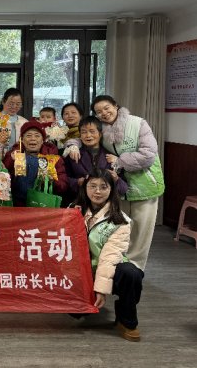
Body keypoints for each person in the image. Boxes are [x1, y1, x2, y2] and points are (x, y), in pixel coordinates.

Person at [85, 95, 164, 271]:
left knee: (141, 231)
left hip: (145, 185)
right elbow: (87, 137)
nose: (104, 113)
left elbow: (149, 154)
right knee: (120, 228)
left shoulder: (137, 123)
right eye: (99, 112)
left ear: (116, 106)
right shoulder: (102, 129)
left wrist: (120, 161)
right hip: (120, 188)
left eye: (107, 108)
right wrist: (72, 145)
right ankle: (120, 267)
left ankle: (135, 269)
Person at [76, 169, 144, 342]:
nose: (97, 191)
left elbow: (109, 257)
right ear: (85, 188)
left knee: (131, 273)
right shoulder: (74, 211)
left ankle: (126, 320)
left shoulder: (120, 220)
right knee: (75, 313)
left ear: (111, 190)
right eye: (92, 186)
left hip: (109, 269)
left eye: (103, 187)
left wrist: (100, 289)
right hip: (81, 271)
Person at [2, 120, 68, 207]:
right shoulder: (13, 155)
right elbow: (1, 179)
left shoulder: (54, 159)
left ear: (42, 140)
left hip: (43, 205)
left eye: (37, 136)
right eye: (28, 135)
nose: (33, 138)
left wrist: (51, 181)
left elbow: (63, 187)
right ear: (22, 140)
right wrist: (12, 161)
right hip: (17, 206)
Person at [65, 116, 128, 198]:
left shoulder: (112, 156)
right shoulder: (72, 154)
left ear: (100, 134)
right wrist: (77, 182)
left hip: (105, 202)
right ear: (80, 135)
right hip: (79, 200)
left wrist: (116, 179)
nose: (88, 135)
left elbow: (123, 189)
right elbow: (63, 180)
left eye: (92, 131)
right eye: (84, 132)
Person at [0, 88, 28, 155]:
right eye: (11, 103)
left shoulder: (24, 122)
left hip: (17, 158)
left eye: (18, 104)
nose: (14, 106)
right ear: (3, 101)